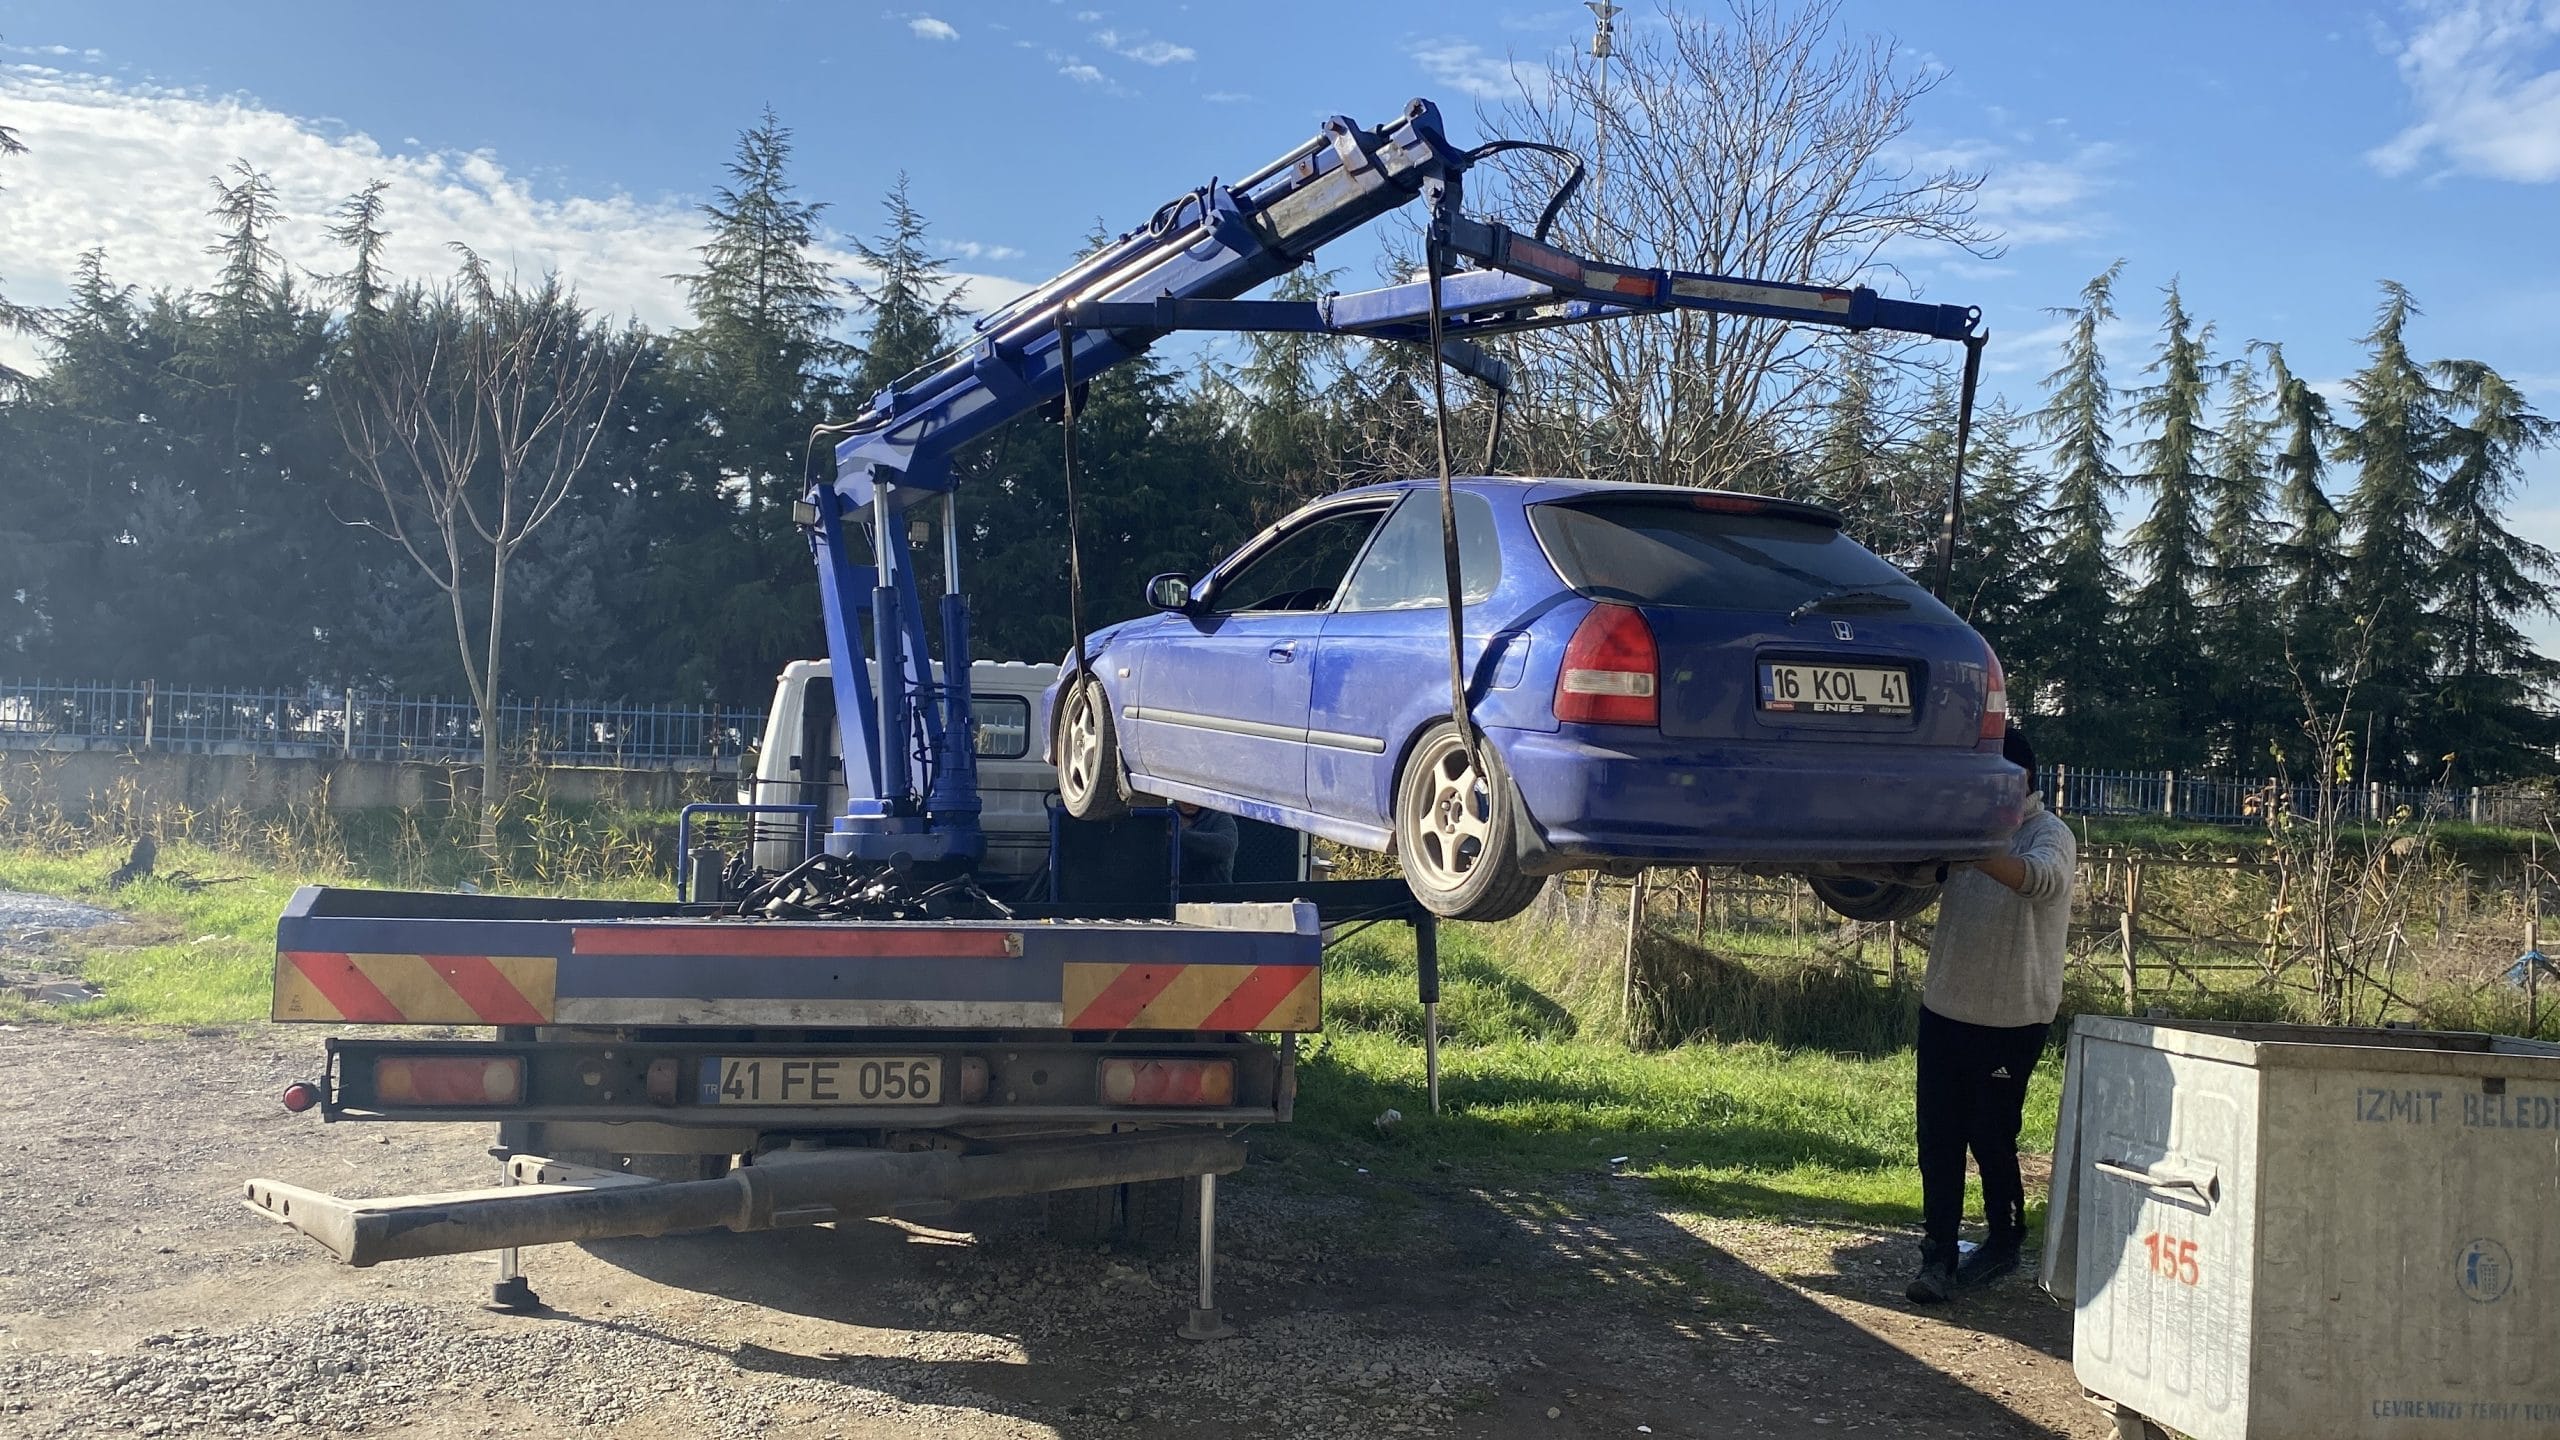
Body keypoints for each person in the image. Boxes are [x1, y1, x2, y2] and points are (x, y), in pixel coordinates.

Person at [1906, 728, 2075, 1305]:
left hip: (2012, 1017)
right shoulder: (1962, 829)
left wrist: (1975, 852)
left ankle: (2004, 1238)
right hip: (1945, 1006)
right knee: (1937, 1136)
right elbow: (1910, 875)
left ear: (2019, 779)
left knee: (1991, 1133)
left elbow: (2040, 880)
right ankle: (1938, 1256)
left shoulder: (2049, 834)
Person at [1174, 800, 1238, 887]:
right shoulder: (1166, 814)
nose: (1189, 802)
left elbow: (1226, 847)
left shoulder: (1219, 816)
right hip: (1170, 889)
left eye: (1194, 797)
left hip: (1213, 889)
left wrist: (1180, 835)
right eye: (1183, 797)